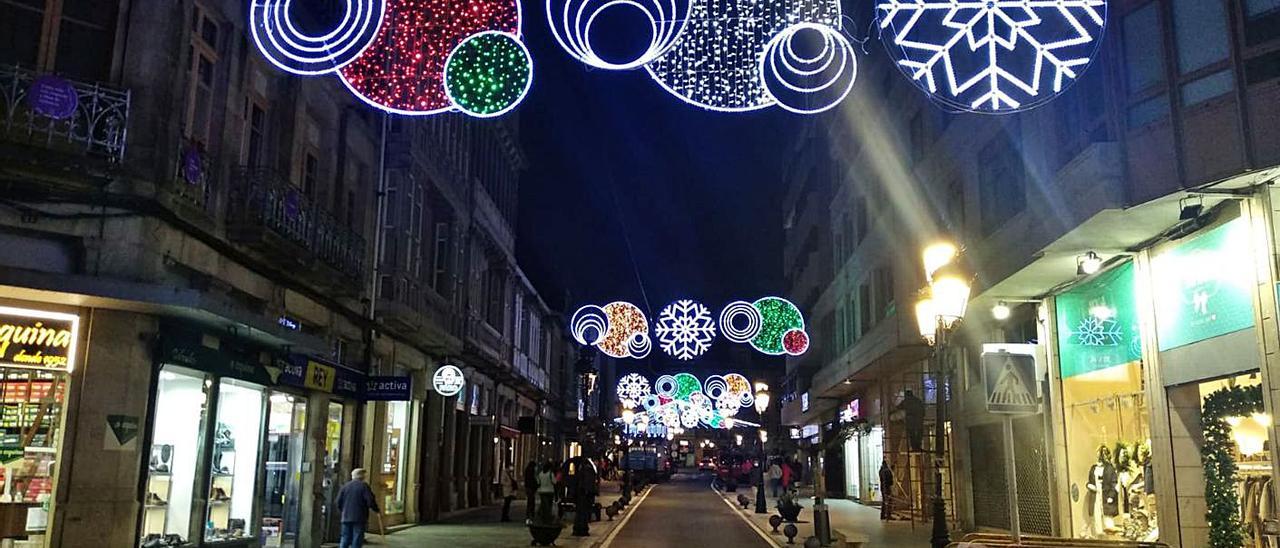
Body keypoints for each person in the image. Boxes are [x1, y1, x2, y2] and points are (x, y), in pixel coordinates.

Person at [336, 468, 380, 548]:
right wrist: (376, 510)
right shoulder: (364, 486)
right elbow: (370, 500)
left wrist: (343, 511)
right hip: (359, 517)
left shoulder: (345, 486)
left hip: (346, 516)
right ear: (362, 477)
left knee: (345, 537)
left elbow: (338, 502)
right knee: (357, 538)